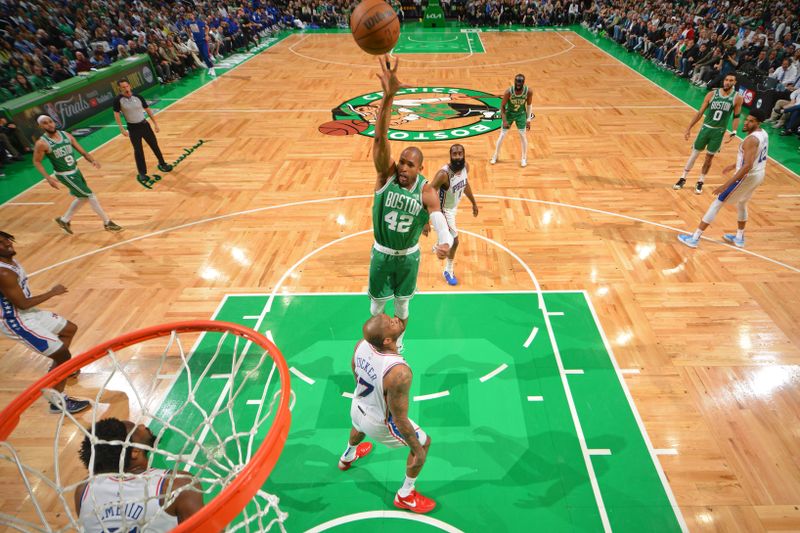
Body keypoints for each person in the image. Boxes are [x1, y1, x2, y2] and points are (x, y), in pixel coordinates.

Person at [368, 57, 453, 353]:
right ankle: (378, 346)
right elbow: (381, 137)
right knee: (377, 306)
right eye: (402, 161)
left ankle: (398, 345)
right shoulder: (385, 176)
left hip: (407, 257)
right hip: (381, 253)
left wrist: (445, 242)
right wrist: (387, 97)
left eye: (410, 164)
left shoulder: (426, 190)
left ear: (419, 168)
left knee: (402, 304)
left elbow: (439, 219)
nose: (403, 167)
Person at [338, 314, 435, 514]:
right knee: (424, 443)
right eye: (391, 322)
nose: (395, 319)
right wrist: (417, 450)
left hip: (357, 407)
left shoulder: (362, 344)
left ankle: (346, 458)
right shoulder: (399, 372)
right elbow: (399, 419)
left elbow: (354, 368)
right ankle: (405, 495)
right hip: (379, 422)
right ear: (387, 341)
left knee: (358, 427)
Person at [0, 231, 89, 414]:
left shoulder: (10, 261)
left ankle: (58, 370)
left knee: (69, 329)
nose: (8, 243)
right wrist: (52, 292)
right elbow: (22, 304)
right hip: (16, 320)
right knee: (63, 354)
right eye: (1, 243)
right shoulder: (3, 272)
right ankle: (57, 402)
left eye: (7, 238)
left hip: (28, 313)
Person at [75, 418, 204, 530]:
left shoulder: (84, 490)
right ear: (134, 452)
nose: (142, 426)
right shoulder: (177, 485)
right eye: (136, 429)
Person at [678, 111, 769, 249]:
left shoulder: (751, 140)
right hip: (759, 174)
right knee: (742, 203)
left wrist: (725, 185)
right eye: (746, 119)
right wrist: (734, 165)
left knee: (717, 202)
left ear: (758, 123)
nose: (746, 122)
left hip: (747, 176)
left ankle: (694, 238)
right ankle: (739, 237)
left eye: (750, 121)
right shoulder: (764, 134)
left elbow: (748, 165)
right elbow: (754, 157)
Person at [33, 116, 122, 234]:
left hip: (75, 170)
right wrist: (48, 178)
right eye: (45, 123)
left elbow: (82, 150)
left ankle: (64, 220)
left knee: (82, 197)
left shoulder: (66, 135)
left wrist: (92, 160)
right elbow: (37, 161)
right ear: (41, 126)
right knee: (90, 196)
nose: (49, 125)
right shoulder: (42, 143)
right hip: (64, 174)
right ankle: (107, 222)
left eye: (50, 122)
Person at [674, 73, 742, 194]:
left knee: (709, 158)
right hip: (706, 128)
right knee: (694, 154)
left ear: (735, 83)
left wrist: (734, 131)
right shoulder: (712, 94)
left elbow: (736, 116)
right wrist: (689, 127)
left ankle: (701, 181)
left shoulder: (737, 98)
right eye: (726, 79)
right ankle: (683, 178)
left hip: (719, 131)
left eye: (731, 80)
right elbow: (700, 112)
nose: (727, 82)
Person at [428, 144, 478, 286]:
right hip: (442, 211)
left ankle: (439, 242)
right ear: (450, 155)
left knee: (448, 236)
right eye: (454, 154)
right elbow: (429, 194)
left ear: (464, 155)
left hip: (452, 208)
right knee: (455, 241)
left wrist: (473, 202)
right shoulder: (443, 175)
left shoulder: (465, 167)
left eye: (460, 154)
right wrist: (426, 219)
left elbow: (465, 184)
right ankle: (448, 270)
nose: (457, 157)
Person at [113, 79, 173, 186]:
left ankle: (162, 163)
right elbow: (116, 114)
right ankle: (142, 173)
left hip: (145, 125)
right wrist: (121, 128)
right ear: (119, 88)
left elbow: (148, 109)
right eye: (123, 87)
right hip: (133, 128)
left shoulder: (138, 97)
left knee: (154, 145)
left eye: (127, 86)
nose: (126, 89)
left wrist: (155, 123)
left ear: (130, 86)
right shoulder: (118, 100)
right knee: (138, 151)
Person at [490, 73, 534, 167]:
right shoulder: (508, 92)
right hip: (509, 113)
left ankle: (523, 158)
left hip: (521, 114)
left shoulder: (528, 91)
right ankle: (495, 156)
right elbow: (502, 106)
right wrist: (505, 120)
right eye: (516, 82)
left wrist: (528, 119)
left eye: (520, 83)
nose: (518, 84)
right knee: (502, 135)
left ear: (523, 83)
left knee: (523, 136)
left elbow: (529, 105)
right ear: (514, 82)